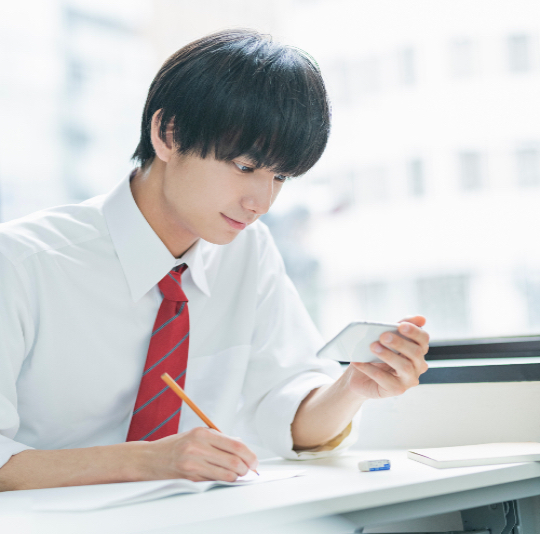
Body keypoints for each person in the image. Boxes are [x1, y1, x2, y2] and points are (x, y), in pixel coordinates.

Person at [0, 29, 429, 491]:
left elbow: (285, 415)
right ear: (168, 134)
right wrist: (151, 463)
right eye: (245, 167)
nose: (261, 202)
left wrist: (352, 389)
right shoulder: (21, 264)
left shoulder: (250, 251)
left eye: (280, 176)